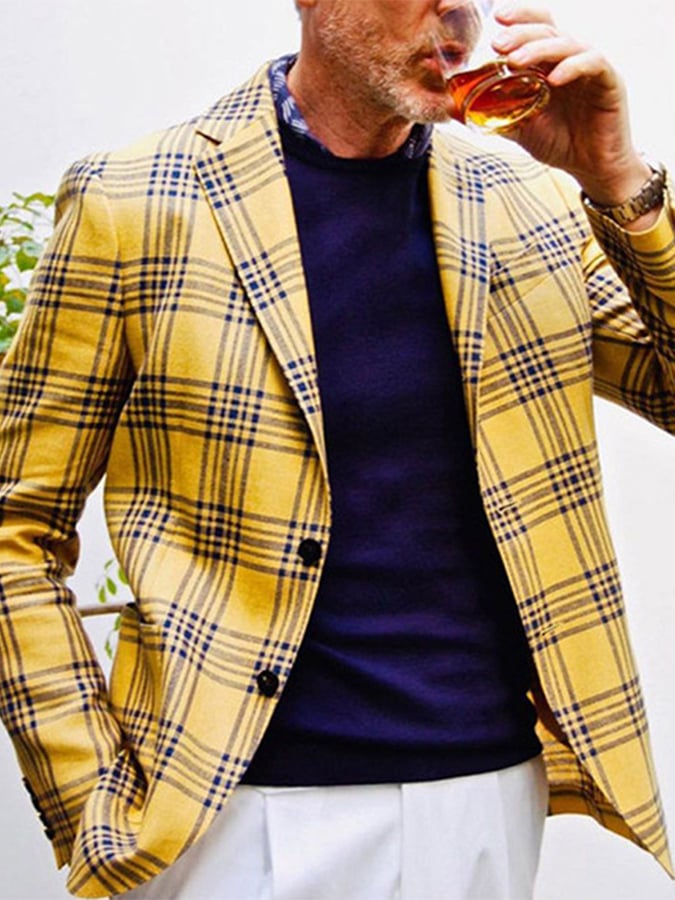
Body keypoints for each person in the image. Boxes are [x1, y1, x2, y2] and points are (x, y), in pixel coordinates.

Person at [0, 0, 673, 897]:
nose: (454, 13)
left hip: (483, 795)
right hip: (233, 816)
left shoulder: (532, 202)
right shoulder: (137, 200)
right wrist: (88, 794)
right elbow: (15, 524)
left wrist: (619, 183)